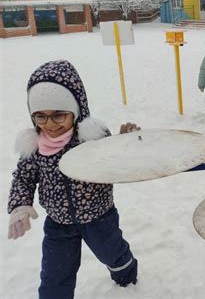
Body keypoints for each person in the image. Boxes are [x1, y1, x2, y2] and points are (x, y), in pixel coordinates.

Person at [7, 60, 139, 299]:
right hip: (58, 223)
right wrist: (19, 205)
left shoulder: (92, 137)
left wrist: (126, 142)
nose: (50, 124)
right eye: (40, 117)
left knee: (113, 255)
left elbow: (115, 161)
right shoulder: (35, 146)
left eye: (58, 116)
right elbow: (23, 178)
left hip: (99, 217)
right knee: (55, 274)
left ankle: (127, 276)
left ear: (76, 110)